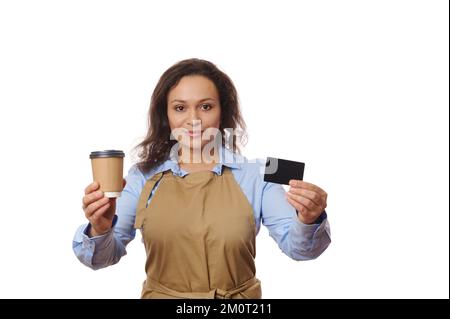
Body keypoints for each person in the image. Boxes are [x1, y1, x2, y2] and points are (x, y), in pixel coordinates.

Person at [73, 58, 331, 299]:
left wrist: (309, 219)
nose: (193, 120)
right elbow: (100, 259)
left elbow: (300, 250)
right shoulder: (141, 175)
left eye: (206, 106)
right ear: (167, 116)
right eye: (180, 108)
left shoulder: (264, 172)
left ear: (222, 112)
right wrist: (100, 228)